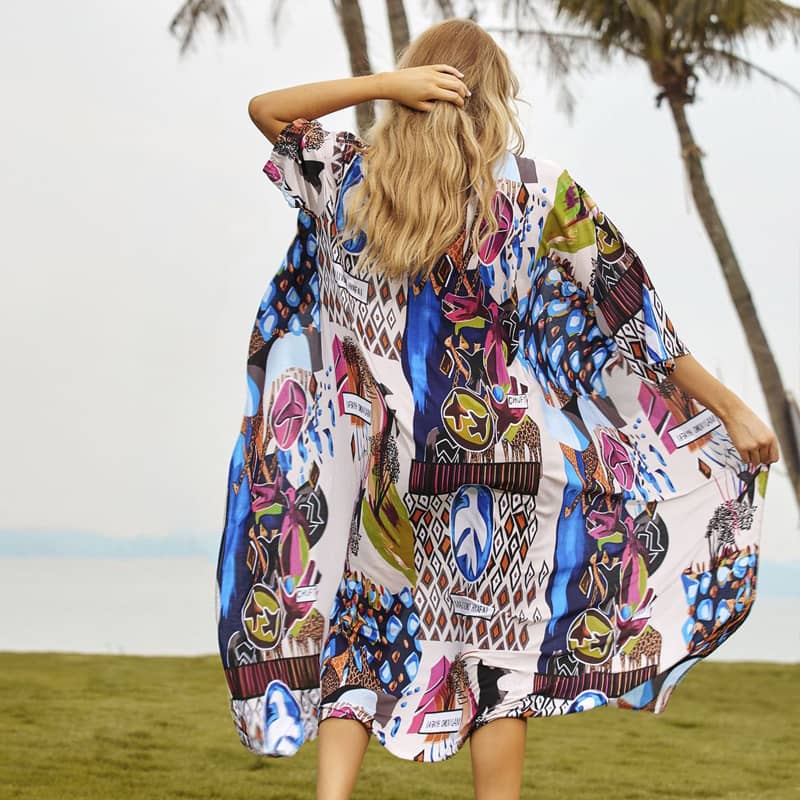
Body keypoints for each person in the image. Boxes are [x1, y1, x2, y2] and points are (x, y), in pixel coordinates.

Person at [217, 17, 779, 800]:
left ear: (418, 87)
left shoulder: (353, 182)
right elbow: (631, 311)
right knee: (500, 666)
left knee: (363, 632)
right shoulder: (538, 191)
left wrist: (385, 86)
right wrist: (732, 408)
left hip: (393, 468)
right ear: (495, 98)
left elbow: (267, 109)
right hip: (504, 465)